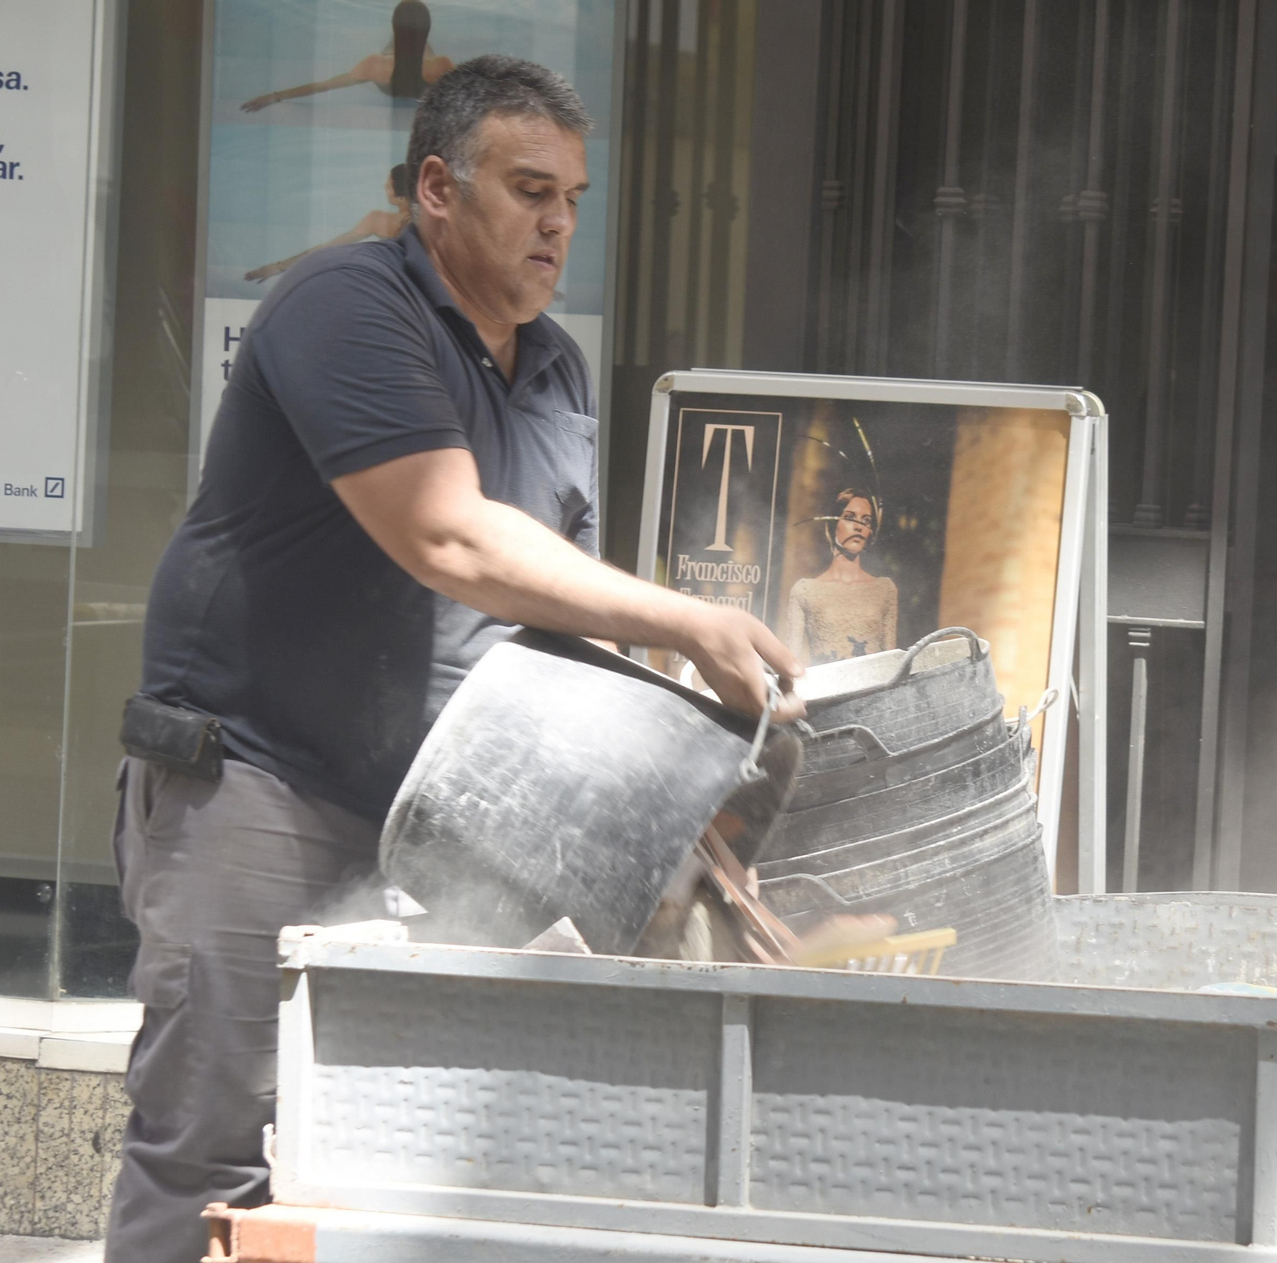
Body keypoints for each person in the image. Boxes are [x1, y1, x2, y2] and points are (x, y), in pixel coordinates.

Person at [106, 54, 802, 1263]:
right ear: (437, 185)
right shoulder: (343, 305)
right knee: (214, 1147)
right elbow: (445, 532)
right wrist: (683, 619)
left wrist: (684, 762)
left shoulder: (555, 369)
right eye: (529, 190)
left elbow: (547, 611)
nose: (558, 224)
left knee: (402, 1164)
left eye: (574, 198)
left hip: (438, 824)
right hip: (255, 789)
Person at [240, 0, 453, 112]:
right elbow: (469, 91)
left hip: (390, 81)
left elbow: (323, 86)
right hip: (420, 84)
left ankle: (408, 28)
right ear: (428, 29)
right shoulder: (441, 65)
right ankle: (413, 30)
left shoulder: (374, 65)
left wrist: (276, 96)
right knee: (420, 49)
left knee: (400, 47)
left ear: (393, 27)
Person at [786, 486, 898, 666]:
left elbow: (892, 662)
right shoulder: (805, 591)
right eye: (849, 518)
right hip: (825, 689)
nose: (859, 527)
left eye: (866, 521)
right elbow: (792, 661)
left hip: (874, 689)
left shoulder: (884, 590)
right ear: (832, 526)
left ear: (870, 532)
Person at [244, 163, 413, 283]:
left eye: (388, 186)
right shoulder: (427, 222)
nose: (384, 187)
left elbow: (325, 249)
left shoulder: (378, 220)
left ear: (400, 197)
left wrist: (279, 267)